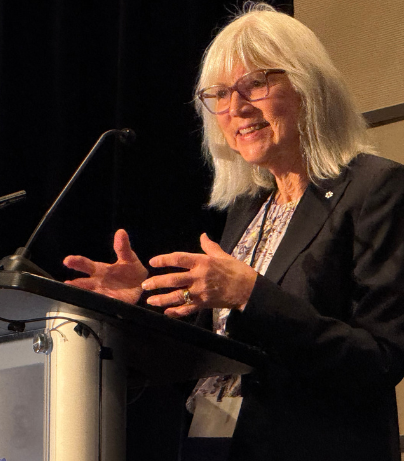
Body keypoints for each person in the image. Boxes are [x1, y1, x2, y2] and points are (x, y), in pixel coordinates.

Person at [64, 4, 404, 461]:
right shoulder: (250, 206)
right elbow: (220, 342)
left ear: (308, 85)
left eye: (256, 84)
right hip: (214, 443)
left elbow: (378, 360)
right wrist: (144, 301)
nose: (236, 108)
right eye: (220, 94)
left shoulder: (373, 189)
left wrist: (250, 294)